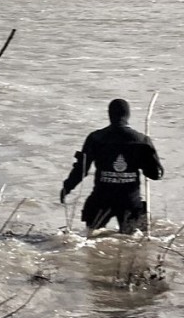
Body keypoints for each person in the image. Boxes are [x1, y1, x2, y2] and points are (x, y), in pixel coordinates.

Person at [60, 98, 164, 235]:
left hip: (101, 199)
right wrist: (146, 157)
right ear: (128, 116)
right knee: (133, 242)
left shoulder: (95, 138)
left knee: (89, 239)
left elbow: (81, 169)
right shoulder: (141, 140)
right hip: (130, 201)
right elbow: (156, 174)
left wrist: (67, 187)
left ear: (109, 115)